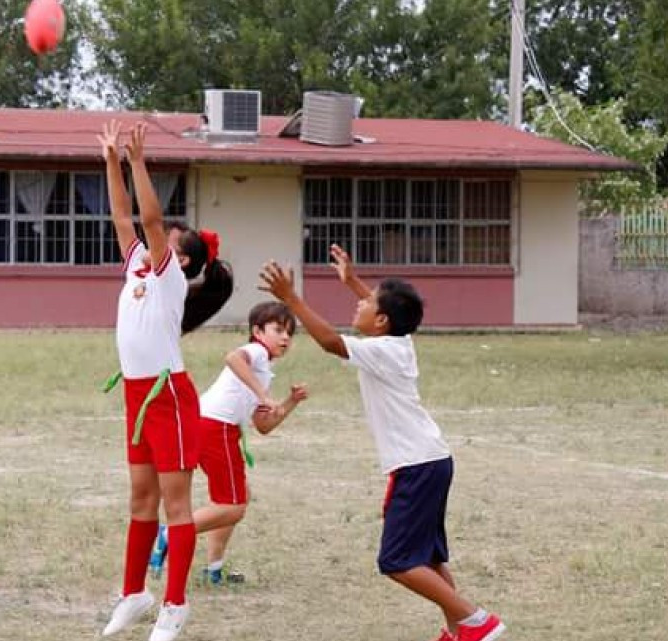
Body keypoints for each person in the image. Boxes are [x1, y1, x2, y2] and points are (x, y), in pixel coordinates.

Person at [257, 244, 505, 641]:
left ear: (383, 320)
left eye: (367, 302)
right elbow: (381, 314)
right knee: (429, 558)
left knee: (397, 561)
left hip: (417, 465)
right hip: (429, 459)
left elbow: (329, 342)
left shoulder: (382, 349)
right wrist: (353, 282)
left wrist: (291, 299)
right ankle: (459, 629)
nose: (360, 304)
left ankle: (477, 621)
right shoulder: (396, 341)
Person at [98, 120, 233, 641]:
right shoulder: (136, 267)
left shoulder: (170, 276)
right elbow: (122, 215)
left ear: (185, 262)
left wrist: (136, 160)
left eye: (173, 243)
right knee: (139, 500)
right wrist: (111, 160)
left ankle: (175, 607)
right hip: (137, 395)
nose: (161, 241)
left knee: (177, 505)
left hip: (170, 397)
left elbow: (149, 217)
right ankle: (134, 594)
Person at [148, 302, 308, 584]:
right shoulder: (256, 353)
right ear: (257, 331)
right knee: (233, 506)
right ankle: (171, 533)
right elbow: (233, 357)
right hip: (215, 427)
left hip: (207, 424)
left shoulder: (264, 370)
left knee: (234, 498)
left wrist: (289, 402)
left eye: (290, 333)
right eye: (278, 330)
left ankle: (213, 569)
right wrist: (262, 393)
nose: (285, 338)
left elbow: (263, 426)